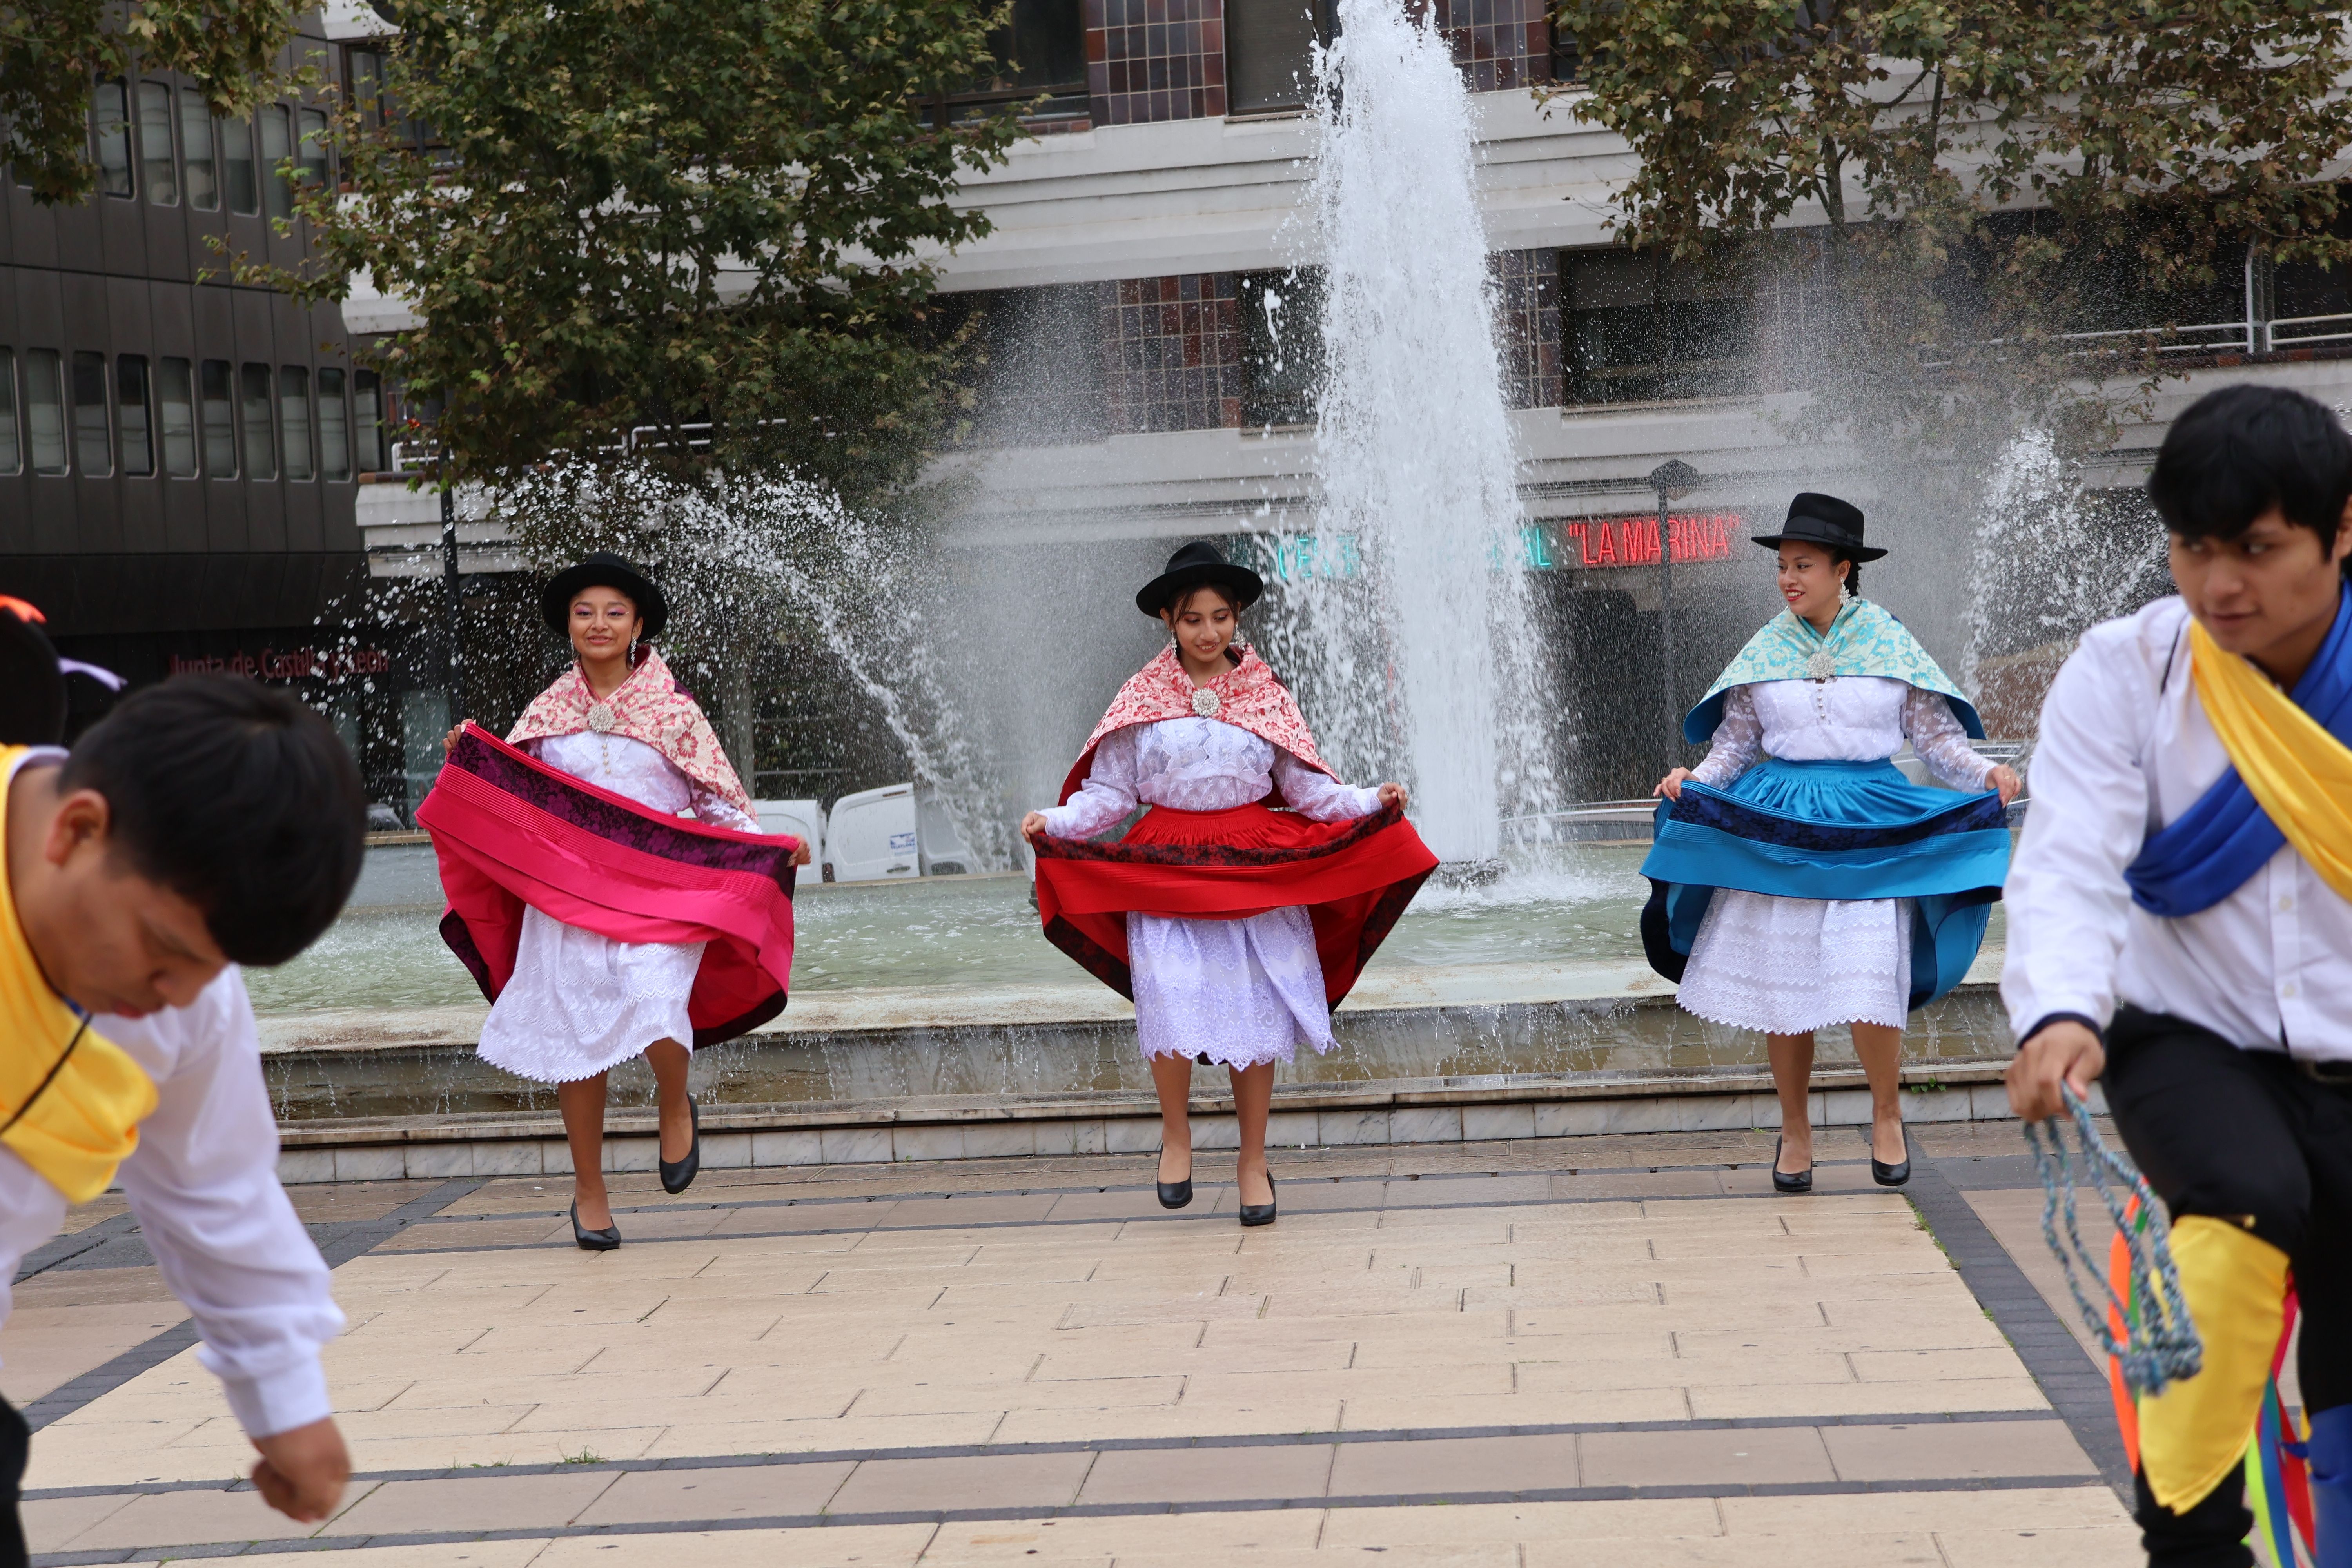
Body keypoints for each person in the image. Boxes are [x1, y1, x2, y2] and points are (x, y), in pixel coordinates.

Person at [2004, 383, 2352, 1568]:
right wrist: (2057, 1012)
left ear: (2341, 529)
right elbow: (2069, 862)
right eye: (2195, 550)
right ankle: (2192, 1536)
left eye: (2257, 550)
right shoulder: (2128, 672)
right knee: (2245, 1206)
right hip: (2186, 1037)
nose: (2221, 587)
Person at [0, 657, 365, 1565]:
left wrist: (286, 1401)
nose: (173, 997)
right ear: (79, 829)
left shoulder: (187, 995)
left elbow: (213, 1182)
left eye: (209, 967)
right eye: (163, 949)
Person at [1022, 542, 1437, 1226]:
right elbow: (1110, 796)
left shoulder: (1264, 695)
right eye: (1192, 620)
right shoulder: (1140, 700)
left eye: (1220, 617)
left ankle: (1252, 1160)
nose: (1209, 633)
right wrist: (1056, 820)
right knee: (1171, 998)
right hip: (1167, 872)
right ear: (1167, 621)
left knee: (1254, 1015)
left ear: (1237, 617)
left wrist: (1371, 801)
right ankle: (1177, 1137)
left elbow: (1308, 790)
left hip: (1255, 866)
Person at [425, 554, 806, 1250]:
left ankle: (672, 1102)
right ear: (568, 626)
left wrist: (766, 848)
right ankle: (589, 1193)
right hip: (569, 901)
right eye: (584, 612)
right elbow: (510, 797)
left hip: (659, 892)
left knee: (658, 1000)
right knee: (577, 1048)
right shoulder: (545, 714)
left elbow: (720, 805)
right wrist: (466, 757)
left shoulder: (675, 712)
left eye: (614, 612)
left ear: (637, 625)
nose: (598, 624)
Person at [1642, 494, 2022, 1192]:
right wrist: (1692, 780)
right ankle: (1794, 1134)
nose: (1789, 578)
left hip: (1870, 824)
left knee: (1870, 975)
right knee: (1786, 990)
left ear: (1844, 570)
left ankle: (1885, 1116)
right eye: (1783, 567)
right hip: (1779, 827)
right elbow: (1735, 746)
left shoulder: (1888, 642)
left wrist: (1987, 772)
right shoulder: (1766, 648)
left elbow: (1936, 741)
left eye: (1805, 566)